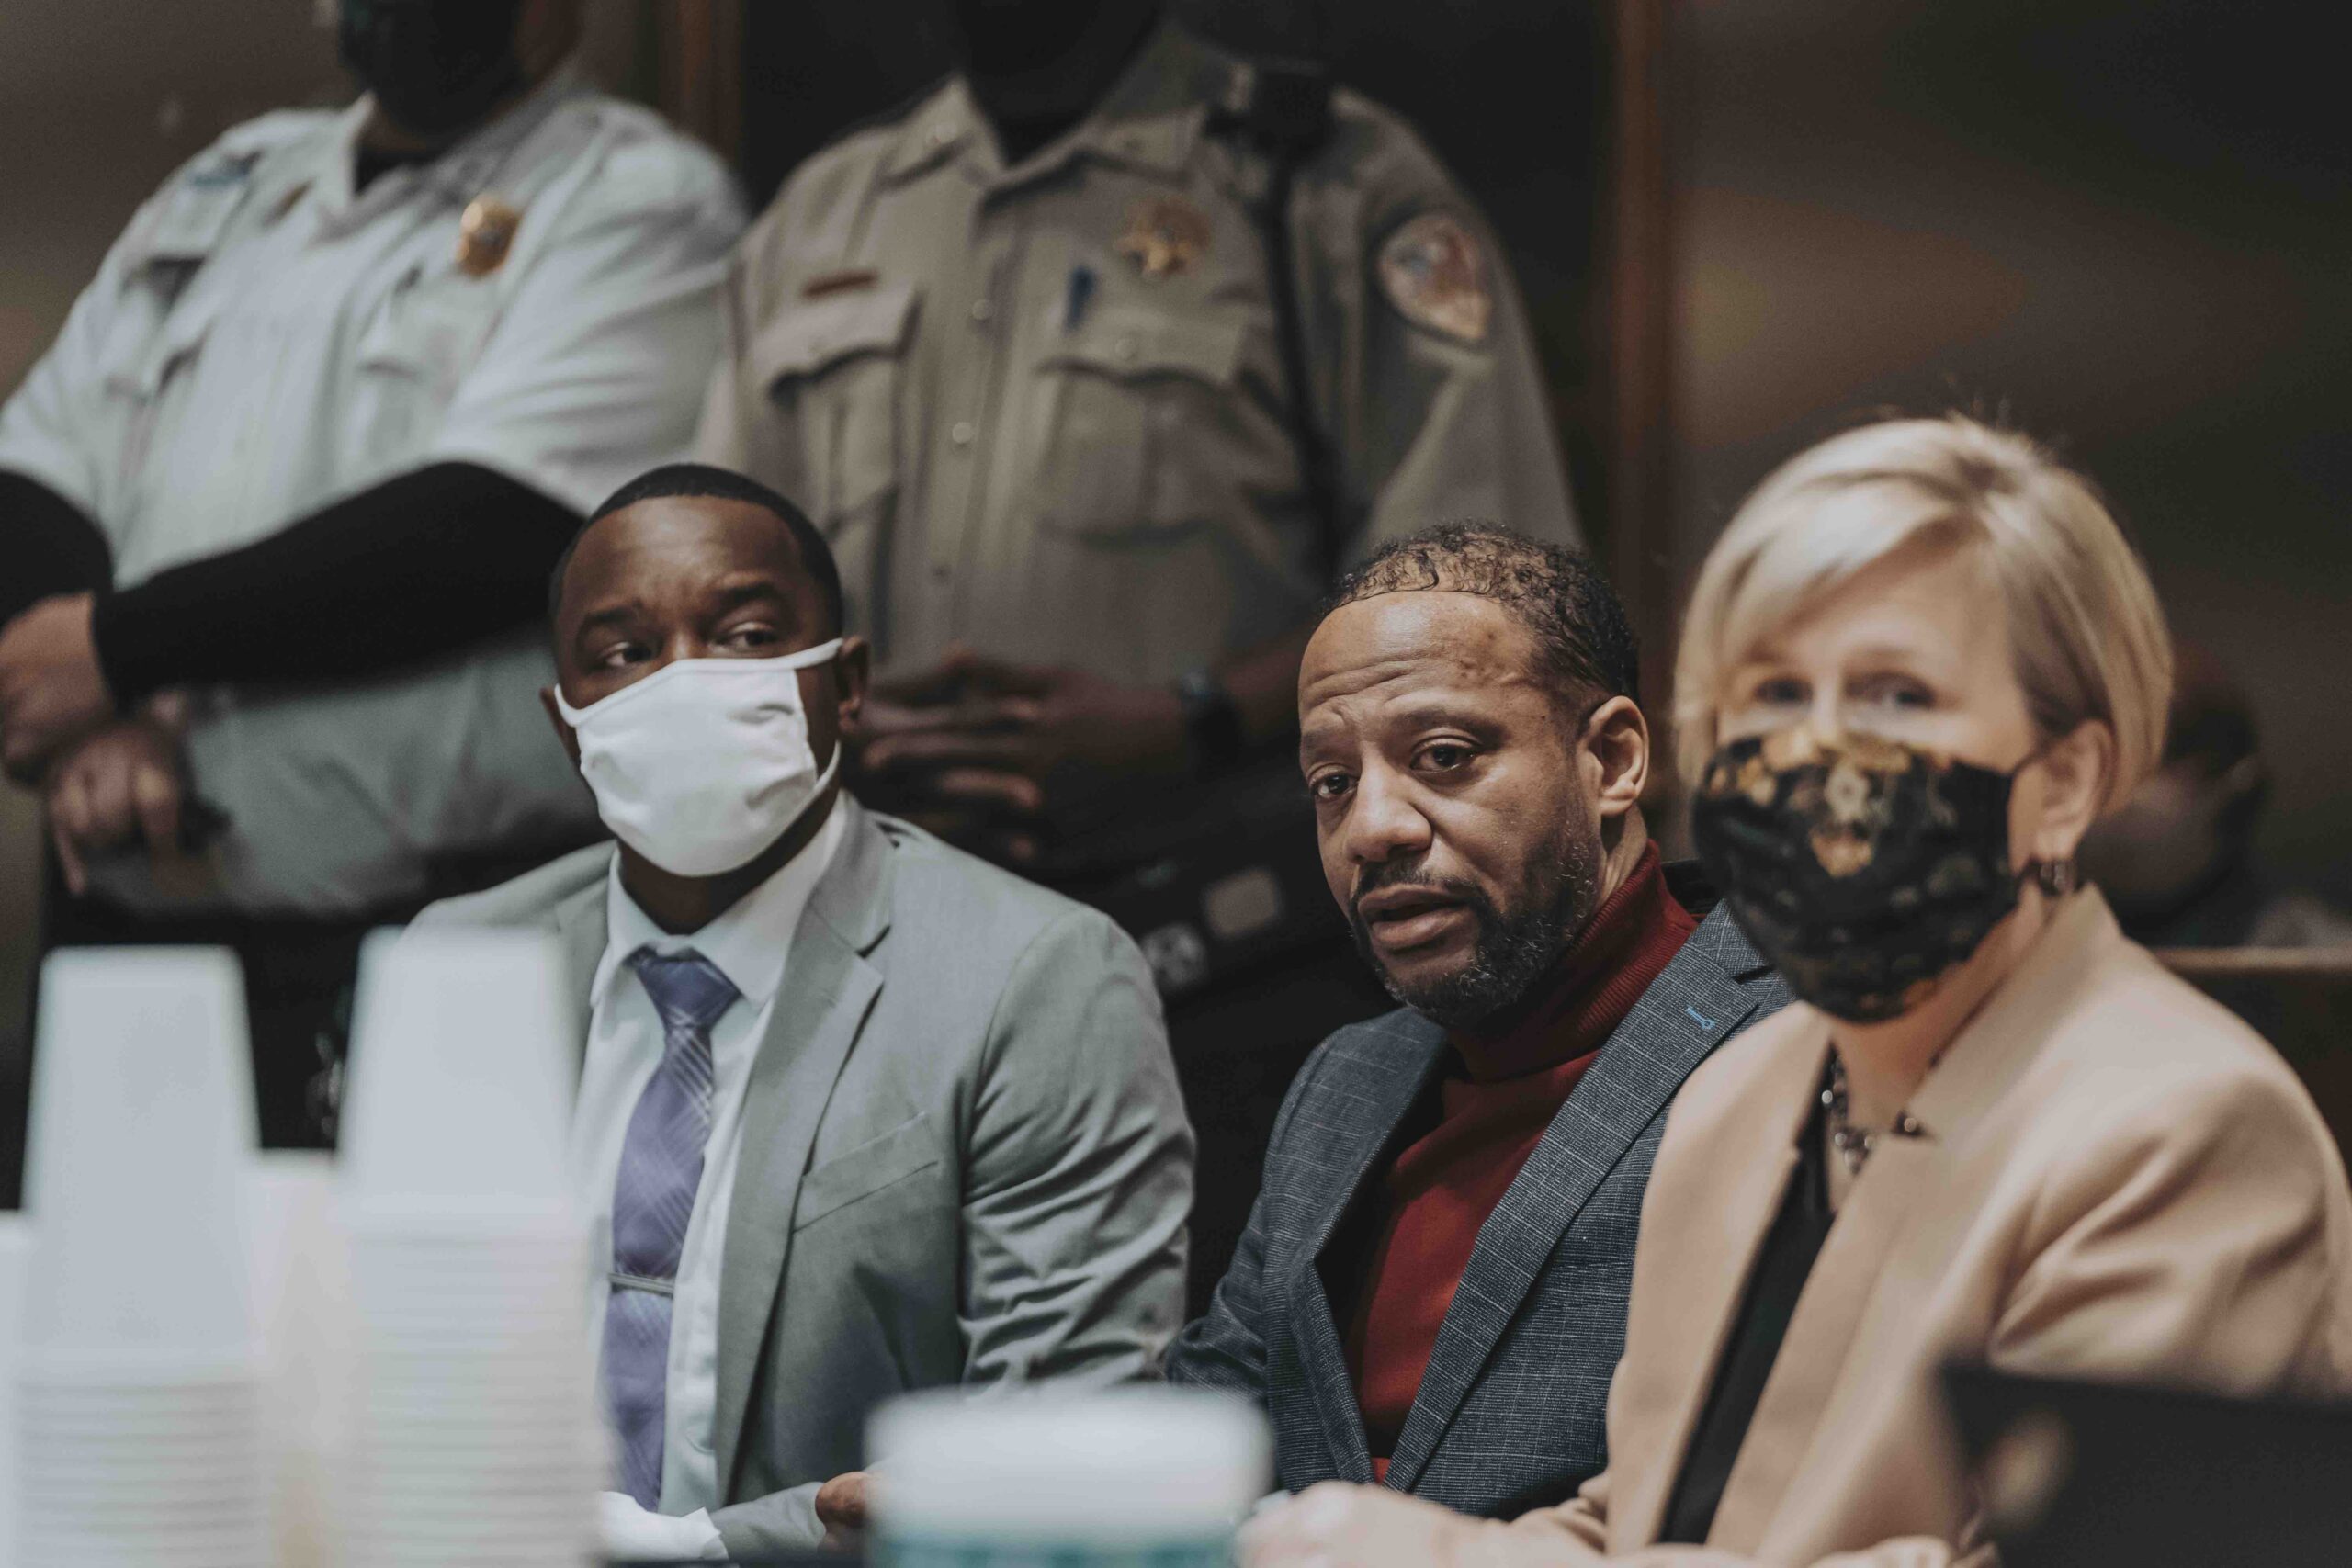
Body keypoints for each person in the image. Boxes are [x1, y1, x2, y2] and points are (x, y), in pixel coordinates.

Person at [1240, 416, 2352, 1568]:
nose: (1813, 755)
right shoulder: (1748, 1091)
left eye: (1892, 697)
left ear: (2064, 780)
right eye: (1770, 694)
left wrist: (1454, 1564)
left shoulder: (2178, 1122)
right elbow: (1650, 1522)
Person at [697, 0, 1577, 1311]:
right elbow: (709, 587)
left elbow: (1490, 600)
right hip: (880, 968)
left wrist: (1189, 719)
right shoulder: (826, 216)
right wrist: (830, 730)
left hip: (1219, 963)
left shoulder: (1322, 185)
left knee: (1209, 1405)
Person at [410, 464, 1193, 1560]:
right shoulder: (459, 966)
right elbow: (393, 1375)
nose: (682, 683)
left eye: (741, 634)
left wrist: (715, 1549)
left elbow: (1055, 1449)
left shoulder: (1036, 975)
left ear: (848, 683)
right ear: (566, 718)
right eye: (623, 653)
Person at [0, 0, 742, 1148]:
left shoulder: (636, 195)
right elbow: (35, 471)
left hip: (434, 962)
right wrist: (101, 714)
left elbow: (494, 524)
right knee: (126, 1318)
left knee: (417, 1323)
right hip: (131, 943)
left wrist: (118, 652)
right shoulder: (236, 186)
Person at [1155, 525, 1789, 1515]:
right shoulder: (1343, 1079)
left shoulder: (1799, 1047)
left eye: (1443, 756)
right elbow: (1220, 1404)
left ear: (1612, 760)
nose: (1373, 827)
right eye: (1332, 783)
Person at [2080, 639, 2352, 948]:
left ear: (2239, 790)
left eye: (2166, 755)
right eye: (2104, 757)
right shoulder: (2031, 953)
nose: (2124, 792)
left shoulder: (2321, 960)